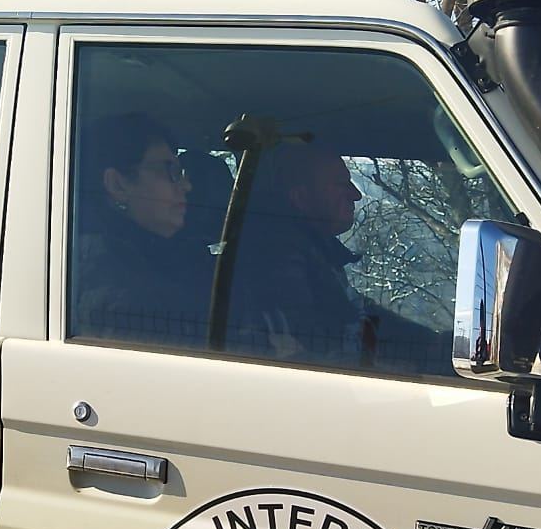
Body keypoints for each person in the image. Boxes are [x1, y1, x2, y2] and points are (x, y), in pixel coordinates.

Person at [232, 143, 447, 371]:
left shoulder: (313, 252)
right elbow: (322, 343)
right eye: (340, 184)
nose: (355, 194)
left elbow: (360, 312)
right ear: (300, 197)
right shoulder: (278, 262)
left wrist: (432, 346)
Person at [74, 113, 212, 345]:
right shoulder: (110, 282)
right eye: (170, 172)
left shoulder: (173, 256)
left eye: (181, 172)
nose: (186, 186)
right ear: (117, 184)